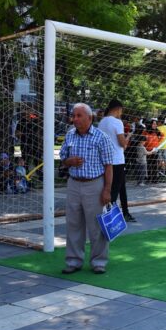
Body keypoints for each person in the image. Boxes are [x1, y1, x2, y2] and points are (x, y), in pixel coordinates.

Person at [59, 103, 114, 275]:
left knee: (96, 225)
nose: (74, 119)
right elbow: (62, 158)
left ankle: (99, 262)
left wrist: (107, 190)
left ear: (89, 118)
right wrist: (70, 162)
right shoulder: (70, 135)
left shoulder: (101, 137)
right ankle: (74, 261)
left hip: (94, 185)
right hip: (74, 184)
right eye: (73, 115)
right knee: (73, 224)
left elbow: (109, 166)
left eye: (78, 115)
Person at [97, 99, 135, 222]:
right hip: (117, 161)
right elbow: (123, 144)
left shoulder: (102, 122)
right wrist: (128, 137)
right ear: (118, 109)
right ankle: (108, 218)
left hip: (105, 161)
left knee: (121, 187)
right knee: (114, 190)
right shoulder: (117, 123)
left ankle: (125, 212)